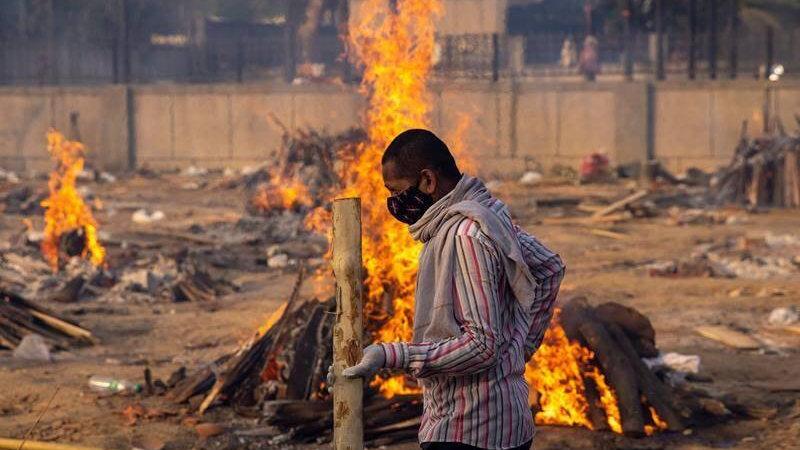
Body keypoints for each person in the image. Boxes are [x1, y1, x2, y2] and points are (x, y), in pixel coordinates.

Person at [342, 129, 565, 450]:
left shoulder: (464, 235)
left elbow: (482, 346)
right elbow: (549, 268)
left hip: (468, 429)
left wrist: (391, 354)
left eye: (395, 191)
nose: (393, 203)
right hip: (505, 424)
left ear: (428, 181)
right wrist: (519, 346)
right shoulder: (486, 213)